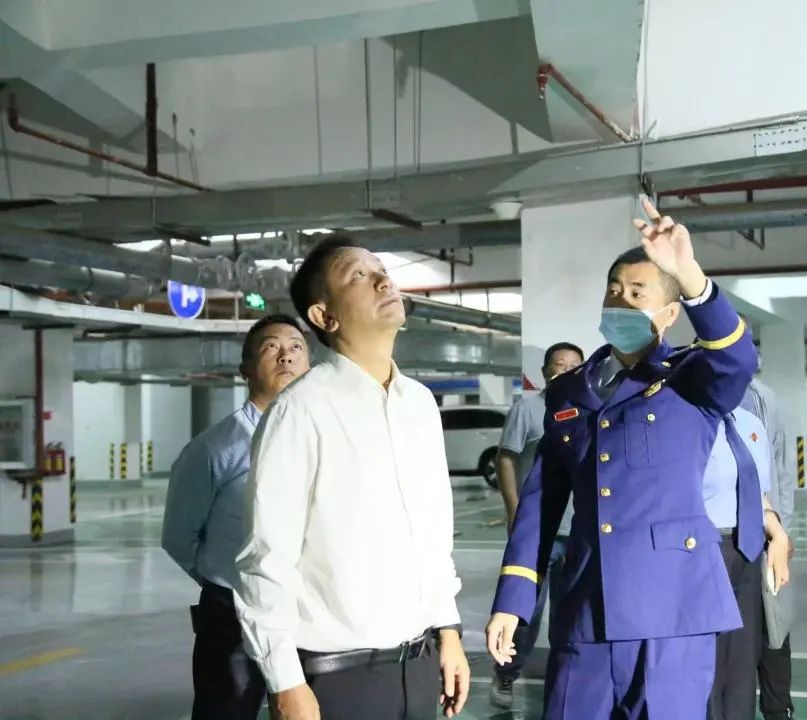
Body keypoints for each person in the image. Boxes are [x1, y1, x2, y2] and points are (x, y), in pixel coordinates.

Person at [486, 198, 758, 719]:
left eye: (638, 292)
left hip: (671, 613)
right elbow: (540, 507)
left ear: (670, 313)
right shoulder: (568, 393)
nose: (621, 300)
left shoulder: (692, 379)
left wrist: (690, 274)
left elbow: (737, 358)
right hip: (586, 607)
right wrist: (512, 601)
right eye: (614, 289)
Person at [233, 235, 470, 720]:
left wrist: (448, 630)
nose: (383, 281)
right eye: (358, 275)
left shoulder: (419, 404)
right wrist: (285, 682)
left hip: (420, 664)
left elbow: (432, 533)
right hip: (341, 678)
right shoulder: (301, 410)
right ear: (325, 316)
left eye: (381, 270)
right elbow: (266, 559)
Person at [161, 314, 311, 720]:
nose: (286, 356)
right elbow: (178, 537)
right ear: (246, 369)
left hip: (307, 609)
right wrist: (228, 580)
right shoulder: (215, 449)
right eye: (271, 348)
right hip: (233, 615)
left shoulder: (317, 438)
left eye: (296, 347)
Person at [489, 341, 585, 709]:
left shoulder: (589, 410)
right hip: (540, 534)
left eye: (574, 365)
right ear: (545, 371)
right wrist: (515, 510)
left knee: (570, 614)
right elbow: (506, 459)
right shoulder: (527, 408)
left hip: (578, 534)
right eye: (559, 364)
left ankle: (564, 683)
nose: (566, 370)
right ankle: (506, 675)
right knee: (523, 610)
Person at [701, 395, 791, 719]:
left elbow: (758, 492)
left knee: (742, 661)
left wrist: (778, 533)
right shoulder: (689, 423)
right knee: (709, 663)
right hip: (705, 549)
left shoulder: (750, 424)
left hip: (748, 549)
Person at [741, 378, 797, 720]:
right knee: (733, 642)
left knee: (774, 632)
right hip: (721, 540)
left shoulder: (763, 398)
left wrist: (783, 532)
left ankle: (779, 710)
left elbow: (781, 472)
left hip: (766, 534)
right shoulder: (691, 389)